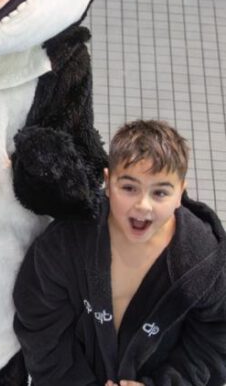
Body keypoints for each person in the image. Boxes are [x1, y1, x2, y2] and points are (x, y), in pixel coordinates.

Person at [14, 120, 226, 385]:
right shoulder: (66, 244)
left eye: (160, 192)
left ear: (180, 193)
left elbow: (215, 337)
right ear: (107, 182)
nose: (143, 205)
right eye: (129, 188)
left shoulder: (201, 261)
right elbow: (39, 322)